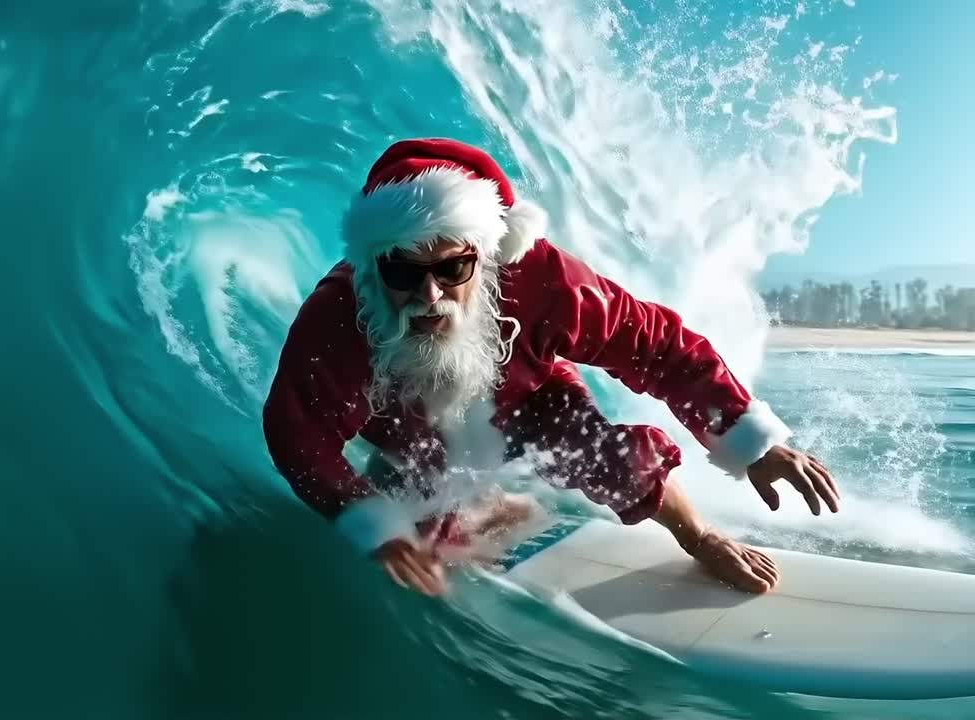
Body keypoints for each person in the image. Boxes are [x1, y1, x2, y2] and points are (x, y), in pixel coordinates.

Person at [262, 137, 840, 597]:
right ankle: (481, 510)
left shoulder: (537, 278)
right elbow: (298, 437)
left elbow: (654, 343)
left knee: (608, 460)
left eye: (451, 270)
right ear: (374, 265)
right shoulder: (339, 317)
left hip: (529, 397)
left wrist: (751, 438)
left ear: (484, 256)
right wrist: (373, 525)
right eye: (404, 274)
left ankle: (702, 536)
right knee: (426, 531)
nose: (429, 294)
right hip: (406, 431)